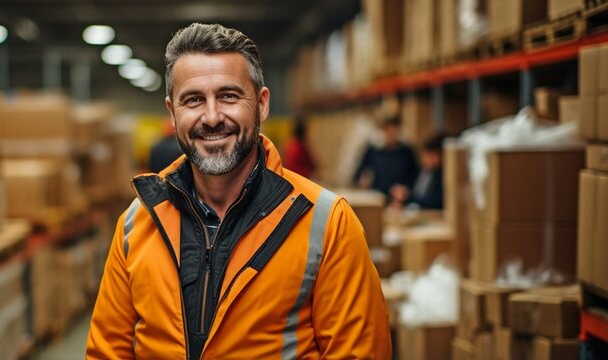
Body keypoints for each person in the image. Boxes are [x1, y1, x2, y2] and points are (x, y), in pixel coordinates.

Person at [87, 23, 391, 359]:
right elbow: (107, 352)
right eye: (193, 100)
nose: (213, 116)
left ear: (261, 105)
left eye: (229, 96)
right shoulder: (137, 222)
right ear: (173, 114)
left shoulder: (327, 223)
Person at [353, 116, 419, 201]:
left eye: (394, 131)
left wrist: (406, 190)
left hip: (399, 198)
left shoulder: (407, 152)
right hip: (377, 195)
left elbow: (415, 176)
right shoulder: (374, 151)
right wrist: (363, 182)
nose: (392, 134)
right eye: (389, 131)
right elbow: (359, 174)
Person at [390, 133, 445, 210]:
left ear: (437, 156)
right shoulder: (423, 171)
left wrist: (408, 196)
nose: (423, 159)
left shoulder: (443, 176)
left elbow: (435, 203)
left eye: (427, 155)